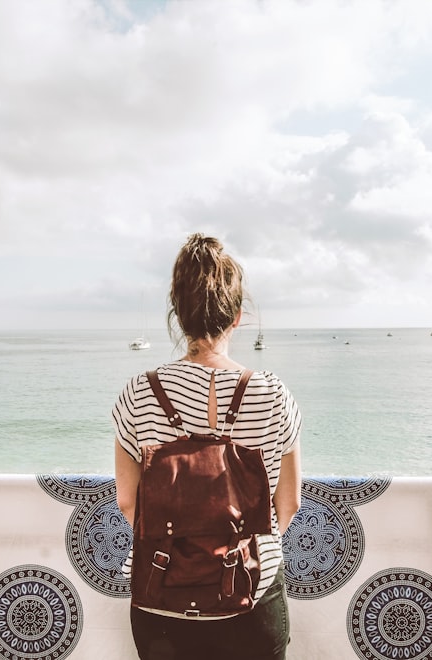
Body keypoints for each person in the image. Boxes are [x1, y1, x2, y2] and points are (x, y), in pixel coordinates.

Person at [113, 233, 303, 660]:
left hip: (162, 597)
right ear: (237, 317)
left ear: (178, 315)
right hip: (251, 595)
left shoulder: (139, 392)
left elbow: (129, 502)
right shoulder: (272, 393)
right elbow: (287, 503)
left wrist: (186, 555)